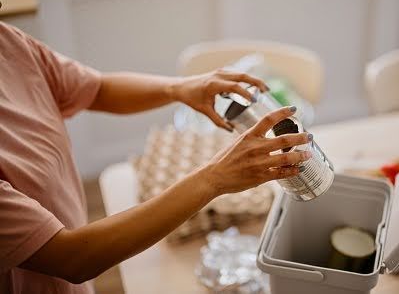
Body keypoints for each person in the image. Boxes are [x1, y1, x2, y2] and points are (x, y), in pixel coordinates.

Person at [0, 22, 312, 293]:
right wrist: (215, 177)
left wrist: (179, 88)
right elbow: (71, 258)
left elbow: (94, 88)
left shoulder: (8, 43)